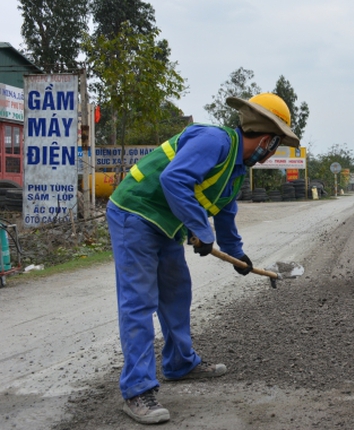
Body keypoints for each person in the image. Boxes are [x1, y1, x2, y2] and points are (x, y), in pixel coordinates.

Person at [106, 93, 300, 424]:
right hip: (135, 212)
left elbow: (224, 211)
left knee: (177, 293)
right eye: (276, 144)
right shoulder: (215, 140)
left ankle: (180, 364)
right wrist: (201, 231)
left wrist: (238, 256)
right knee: (140, 302)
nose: (272, 153)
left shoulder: (236, 168)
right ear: (267, 139)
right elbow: (174, 179)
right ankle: (137, 390)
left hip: (165, 224)